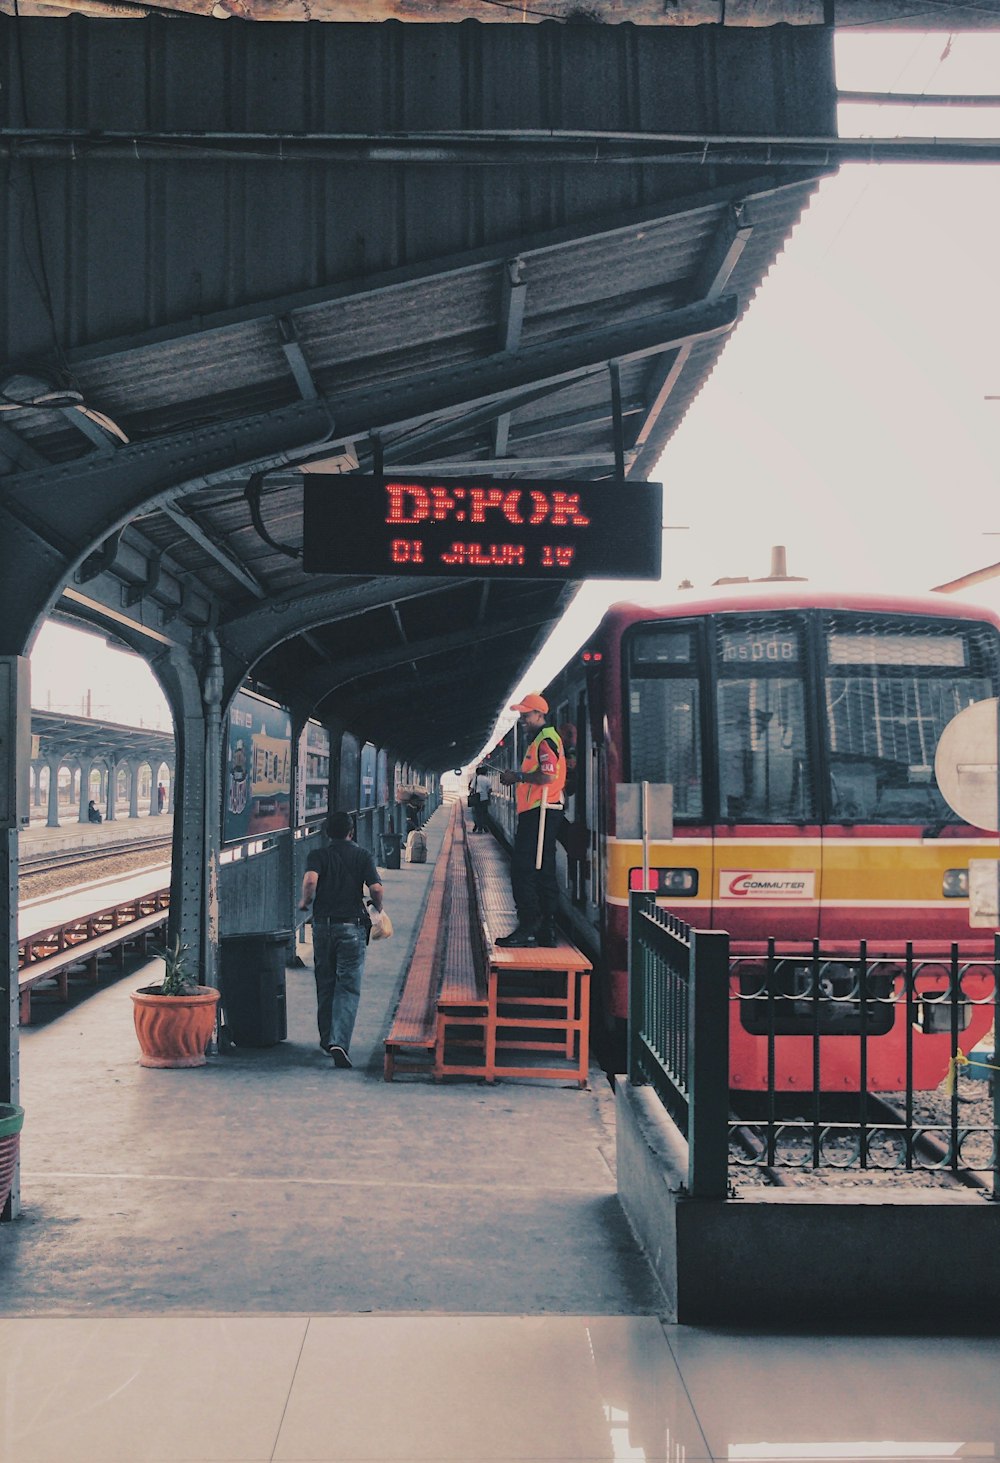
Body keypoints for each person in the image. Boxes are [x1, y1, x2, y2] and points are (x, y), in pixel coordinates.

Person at [298, 809, 385, 1068]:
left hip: (323, 927)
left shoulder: (318, 855)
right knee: (347, 985)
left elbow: (311, 880)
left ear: (327, 833)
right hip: (352, 927)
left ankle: (327, 1040)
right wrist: (377, 907)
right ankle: (339, 1042)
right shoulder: (362, 855)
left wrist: (305, 902)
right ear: (351, 832)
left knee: (325, 982)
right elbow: (377, 888)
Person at [496, 693, 566, 948]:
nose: (523, 719)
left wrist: (518, 777)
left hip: (541, 811)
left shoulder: (545, 740)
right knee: (543, 870)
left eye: (526, 715)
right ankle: (546, 930)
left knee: (523, 869)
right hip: (541, 811)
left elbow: (547, 776)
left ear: (539, 715)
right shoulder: (541, 739)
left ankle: (528, 926)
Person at [471, 764, 491, 833]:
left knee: (478, 813)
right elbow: (490, 789)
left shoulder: (476, 778)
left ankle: (479, 828)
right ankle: (485, 827)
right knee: (484, 813)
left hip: (477, 798)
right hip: (485, 799)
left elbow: (472, 788)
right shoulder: (487, 779)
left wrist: (471, 794)